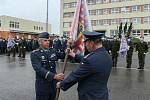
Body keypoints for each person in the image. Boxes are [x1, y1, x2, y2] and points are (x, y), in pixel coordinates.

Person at [57, 31, 112, 100]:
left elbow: (76, 75)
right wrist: (73, 54)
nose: (85, 45)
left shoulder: (90, 60)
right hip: (101, 95)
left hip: (90, 96)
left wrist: (61, 84)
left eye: (86, 43)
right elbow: (91, 61)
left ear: (91, 43)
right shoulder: (106, 55)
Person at [30, 32, 65, 100]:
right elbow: (39, 69)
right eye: (45, 40)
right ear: (40, 42)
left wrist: (67, 48)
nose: (48, 42)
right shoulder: (35, 54)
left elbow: (62, 55)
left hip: (53, 84)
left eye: (48, 40)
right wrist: (54, 76)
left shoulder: (52, 51)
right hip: (42, 86)